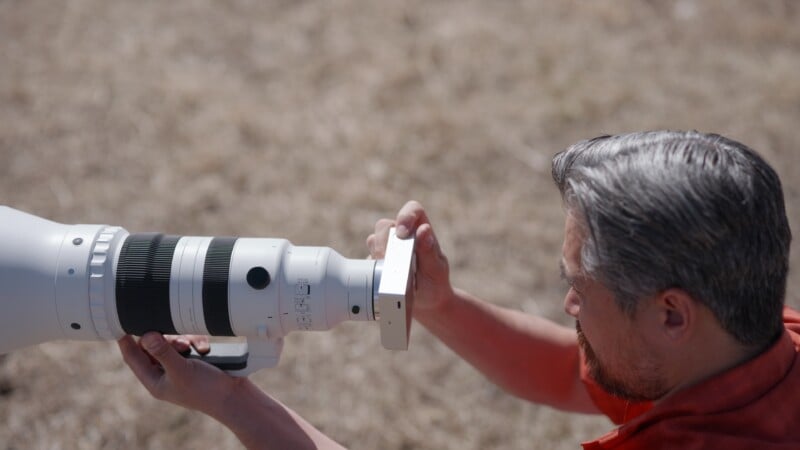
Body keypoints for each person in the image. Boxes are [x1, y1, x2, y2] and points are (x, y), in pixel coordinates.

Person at [119, 130, 800, 449]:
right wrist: (440, 305)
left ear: (672, 313)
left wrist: (239, 404)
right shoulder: (766, 346)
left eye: (581, 291)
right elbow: (575, 372)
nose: (569, 306)